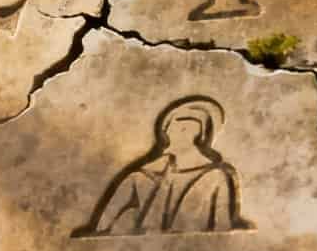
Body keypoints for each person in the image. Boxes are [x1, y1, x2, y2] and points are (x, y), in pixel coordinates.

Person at [80, 95, 251, 236]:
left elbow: (223, 230)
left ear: (193, 133)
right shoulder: (141, 177)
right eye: (168, 130)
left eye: (174, 129)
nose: (167, 136)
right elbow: (101, 226)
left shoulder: (215, 177)